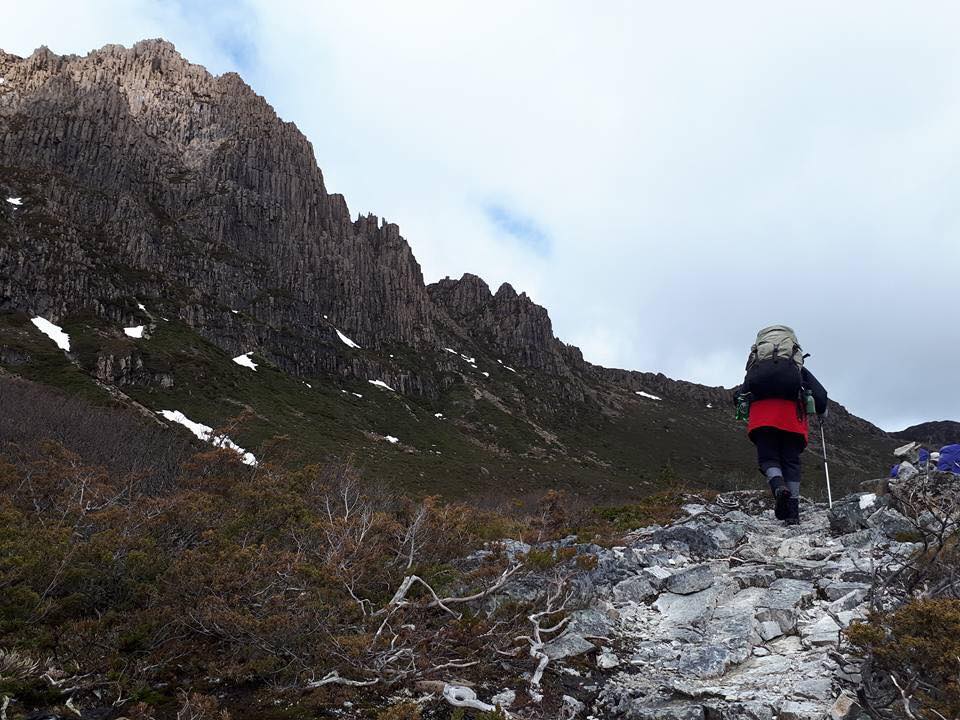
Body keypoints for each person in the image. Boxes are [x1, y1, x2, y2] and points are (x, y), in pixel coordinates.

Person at [735, 326, 828, 525]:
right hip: (792, 419)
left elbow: (739, 395)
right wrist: (822, 409)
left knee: (769, 458)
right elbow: (821, 395)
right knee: (791, 462)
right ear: (793, 347)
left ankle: (778, 487)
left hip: (762, 418)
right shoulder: (797, 368)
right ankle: (793, 512)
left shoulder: (756, 368)